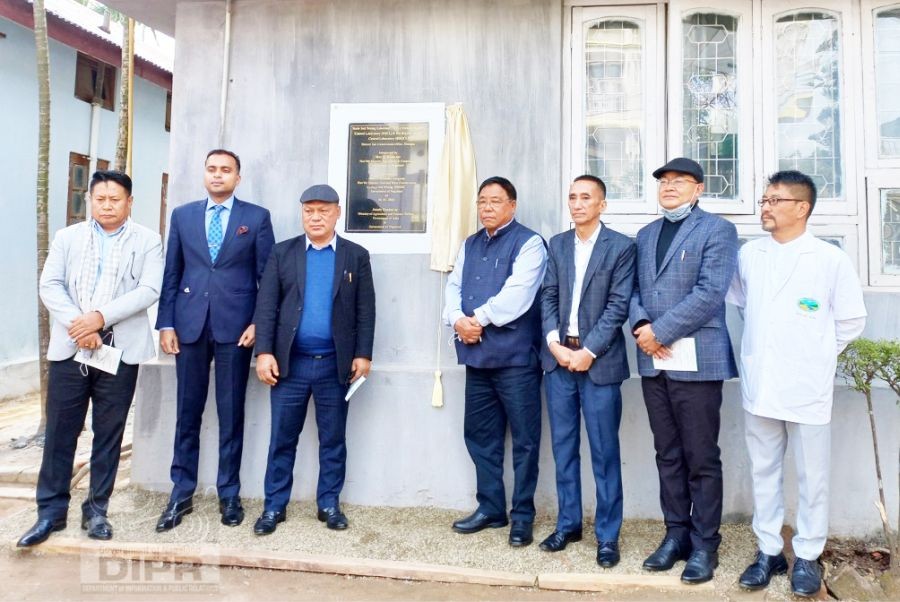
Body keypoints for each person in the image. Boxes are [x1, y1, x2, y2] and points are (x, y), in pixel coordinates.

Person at [727, 171, 866, 597]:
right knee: (763, 470)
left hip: (807, 385)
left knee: (812, 474)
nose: (764, 207)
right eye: (763, 200)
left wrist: (819, 354)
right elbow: (740, 304)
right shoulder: (749, 255)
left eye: (775, 200)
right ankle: (768, 550)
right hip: (762, 383)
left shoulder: (829, 259)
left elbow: (850, 321)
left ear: (802, 208)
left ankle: (807, 554)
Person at [17, 171, 164, 546]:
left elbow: (149, 289)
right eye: (100, 198)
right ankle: (50, 513)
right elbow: (50, 284)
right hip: (72, 349)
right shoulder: (69, 238)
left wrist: (100, 318)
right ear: (90, 201)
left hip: (120, 351)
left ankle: (97, 510)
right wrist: (81, 326)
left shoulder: (148, 240)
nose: (107, 205)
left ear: (129, 202)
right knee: (60, 434)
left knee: (109, 434)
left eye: (116, 199)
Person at [628, 157, 738, 584]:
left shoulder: (717, 230)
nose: (669, 187)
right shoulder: (646, 234)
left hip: (697, 359)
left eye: (680, 181)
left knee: (701, 456)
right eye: (663, 181)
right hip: (654, 359)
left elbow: (710, 292)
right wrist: (641, 327)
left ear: (698, 189)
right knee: (667, 453)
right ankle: (676, 535)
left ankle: (706, 542)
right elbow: (634, 288)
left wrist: (660, 330)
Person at [155, 149, 275, 531]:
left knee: (230, 413)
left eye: (226, 170)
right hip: (189, 326)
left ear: (238, 177)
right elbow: (171, 272)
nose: (218, 175)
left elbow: (267, 279)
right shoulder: (183, 215)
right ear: (203, 174)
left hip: (235, 330)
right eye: (212, 169)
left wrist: (259, 323)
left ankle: (229, 493)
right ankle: (181, 492)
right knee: (187, 413)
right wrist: (166, 323)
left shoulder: (255, 218)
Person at [252, 184, 375, 534]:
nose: (316, 217)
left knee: (333, 438)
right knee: (282, 439)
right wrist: (264, 353)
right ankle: (274, 507)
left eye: (323, 210)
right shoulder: (282, 253)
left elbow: (366, 310)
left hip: (335, 366)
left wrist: (363, 355)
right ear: (302, 213)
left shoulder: (355, 256)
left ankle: (329, 504)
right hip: (290, 365)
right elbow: (267, 307)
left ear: (337, 212)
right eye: (309, 210)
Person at [443, 176, 547, 548]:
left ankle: (522, 516)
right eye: (482, 201)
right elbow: (453, 287)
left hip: (516, 359)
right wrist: (456, 320)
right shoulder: (469, 244)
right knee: (480, 436)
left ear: (512, 205)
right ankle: (490, 508)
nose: (487, 207)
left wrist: (477, 320)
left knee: (524, 441)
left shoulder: (530, 243)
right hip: (476, 357)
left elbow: (518, 296)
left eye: (495, 201)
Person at [539, 175, 635, 566]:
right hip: (560, 361)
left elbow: (618, 305)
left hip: (598, 363)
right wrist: (553, 343)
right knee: (563, 449)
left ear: (602, 204)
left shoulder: (622, 247)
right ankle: (568, 523)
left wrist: (589, 350)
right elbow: (547, 294)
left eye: (586, 198)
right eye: (572, 197)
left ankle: (608, 536)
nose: (577, 204)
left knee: (604, 453)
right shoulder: (558, 244)